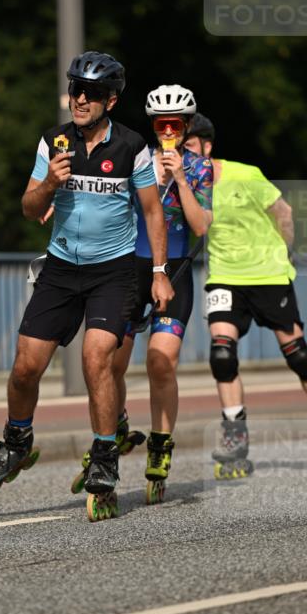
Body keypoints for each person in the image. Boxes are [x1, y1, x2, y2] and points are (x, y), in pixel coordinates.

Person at [0, 51, 174, 520]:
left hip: (113, 271)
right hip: (61, 270)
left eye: (91, 92)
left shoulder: (131, 146)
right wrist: (48, 186)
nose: (80, 98)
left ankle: (104, 460)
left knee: (95, 358)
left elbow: (152, 211)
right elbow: (27, 204)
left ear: (111, 100)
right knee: (24, 368)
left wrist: (159, 273)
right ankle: (17, 440)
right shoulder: (54, 140)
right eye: (75, 88)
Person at [181, 113, 307, 476]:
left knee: (298, 354)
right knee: (222, 354)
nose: (184, 154)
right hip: (225, 276)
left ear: (207, 146)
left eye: (189, 146)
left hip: (268, 274)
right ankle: (234, 434)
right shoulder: (185, 183)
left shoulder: (246, 174)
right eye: (180, 148)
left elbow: (283, 213)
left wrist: (285, 249)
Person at [74, 85, 213, 505]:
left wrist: (181, 180)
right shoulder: (136, 158)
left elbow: (201, 226)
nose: (168, 131)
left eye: (175, 125)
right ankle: (115, 426)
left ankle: (160, 444)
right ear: (153, 126)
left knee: (161, 360)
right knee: (111, 360)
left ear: (186, 126)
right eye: (160, 125)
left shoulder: (198, 167)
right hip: (129, 269)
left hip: (175, 269)